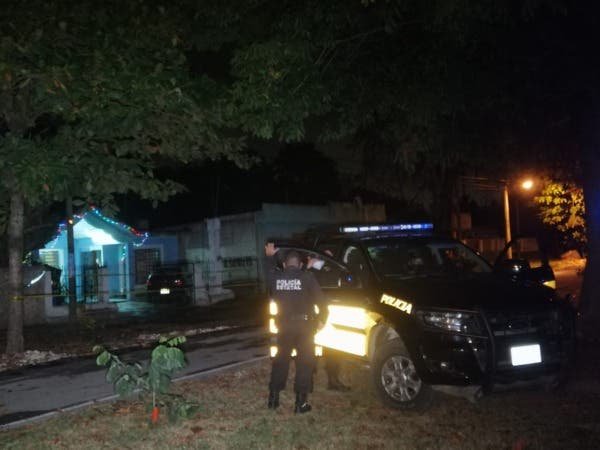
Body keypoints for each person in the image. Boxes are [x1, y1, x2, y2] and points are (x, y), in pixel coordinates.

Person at [265, 243, 327, 413]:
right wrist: (322, 320)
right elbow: (322, 302)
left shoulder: (276, 277)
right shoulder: (307, 277)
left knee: (280, 361)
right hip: (305, 327)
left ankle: (273, 399)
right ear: (300, 265)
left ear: (285, 264)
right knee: (305, 364)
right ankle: (300, 404)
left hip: (284, 326)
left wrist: (270, 257)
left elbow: (270, 272)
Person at [306, 253, 351, 392]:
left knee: (333, 349)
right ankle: (308, 379)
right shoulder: (308, 270)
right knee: (309, 348)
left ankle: (332, 381)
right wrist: (308, 267)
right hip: (311, 314)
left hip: (330, 313)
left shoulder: (335, 268)